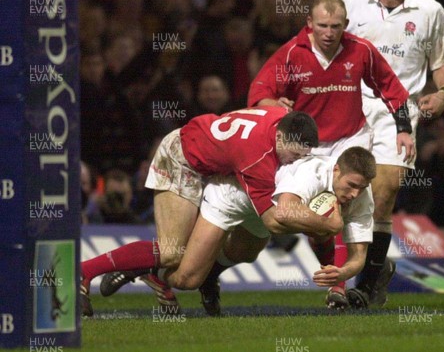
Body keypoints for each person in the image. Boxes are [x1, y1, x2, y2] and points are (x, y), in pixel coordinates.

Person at [247, 0, 414, 308]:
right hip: (308, 148)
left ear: (345, 25)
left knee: (342, 206)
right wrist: (275, 105)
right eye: (322, 25)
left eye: (335, 26)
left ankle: (351, 282)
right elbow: (259, 94)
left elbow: (392, 87)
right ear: (309, 23)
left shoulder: (360, 50)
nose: (328, 33)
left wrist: (404, 129)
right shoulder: (291, 54)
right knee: (317, 223)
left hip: (350, 140)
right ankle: (353, 277)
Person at [79, 107, 323, 316]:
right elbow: (272, 221)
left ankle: (177, 272)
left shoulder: (283, 118)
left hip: (208, 159)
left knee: (245, 249)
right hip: (180, 159)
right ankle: (85, 272)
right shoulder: (258, 159)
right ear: (279, 136)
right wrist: (322, 225)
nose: (294, 162)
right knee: (171, 252)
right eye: (293, 155)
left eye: (302, 157)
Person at [103, 147, 377, 316]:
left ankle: (210, 276)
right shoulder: (312, 174)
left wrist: (343, 273)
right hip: (233, 197)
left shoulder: (361, 195)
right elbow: (282, 215)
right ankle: (148, 269)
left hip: (261, 206)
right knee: (184, 275)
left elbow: (359, 254)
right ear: (337, 169)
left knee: (245, 252)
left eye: (361, 188)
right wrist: (327, 226)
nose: (354, 194)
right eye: (351, 185)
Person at [339, 0, 444, 308]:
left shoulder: (430, 11)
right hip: (348, 108)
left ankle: (367, 282)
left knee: (386, 188)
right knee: (343, 194)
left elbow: (442, 63)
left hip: (399, 112)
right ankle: (372, 270)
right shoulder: (350, 2)